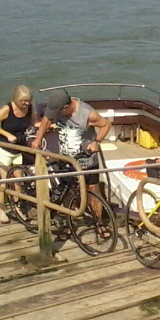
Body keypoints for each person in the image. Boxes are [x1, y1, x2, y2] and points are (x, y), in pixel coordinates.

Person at [30, 88, 112, 234]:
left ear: (66, 107)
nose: (55, 116)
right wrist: (37, 139)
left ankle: (99, 223)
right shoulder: (56, 108)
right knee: (69, 191)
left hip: (86, 160)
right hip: (66, 159)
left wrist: (97, 142)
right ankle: (68, 224)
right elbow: (46, 121)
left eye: (59, 113)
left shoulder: (87, 114)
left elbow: (106, 124)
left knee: (93, 189)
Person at [0, 85, 36, 224]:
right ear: (16, 99)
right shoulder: (7, 109)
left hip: (19, 147)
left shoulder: (29, 109)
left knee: (18, 180)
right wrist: (7, 135)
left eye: (29, 101)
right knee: (5, 181)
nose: (26, 104)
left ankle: (17, 205)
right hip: (3, 148)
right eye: (24, 101)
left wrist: (47, 125)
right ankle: (1, 210)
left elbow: (34, 122)